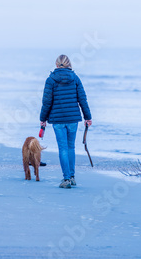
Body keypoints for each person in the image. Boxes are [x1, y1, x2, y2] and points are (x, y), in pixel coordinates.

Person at [40, 55, 92, 189]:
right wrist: (88, 117)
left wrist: (43, 119)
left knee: (63, 148)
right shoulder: (75, 78)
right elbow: (82, 99)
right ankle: (72, 177)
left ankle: (66, 178)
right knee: (71, 147)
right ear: (69, 65)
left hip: (58, 119)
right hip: (72, 119)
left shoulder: (51, 80)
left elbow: (47, 102)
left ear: (56, 64)